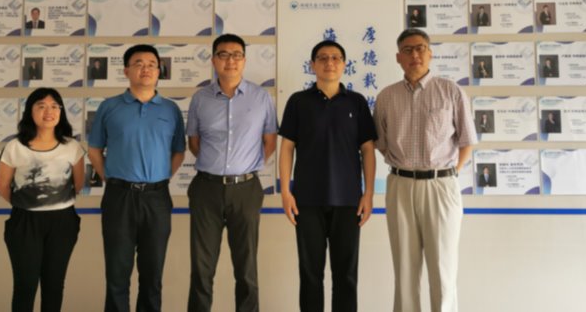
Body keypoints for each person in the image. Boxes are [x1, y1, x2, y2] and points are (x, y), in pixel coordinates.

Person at [374, 28, 478, 312]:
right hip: (400, 185)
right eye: (407, 50)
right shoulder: (386, 97)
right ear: (398, 57)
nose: (414, 55)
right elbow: (381, 143)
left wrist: (449, 174)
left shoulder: (450, 91)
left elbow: (467, 141)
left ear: (430, 54)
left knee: (443, 270)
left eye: (420, 48)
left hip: (441, 185)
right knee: (404, 271)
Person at [279, 40, 377, 312]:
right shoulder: (298, 101)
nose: (329, 62)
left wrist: (368, 193)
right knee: (310, 274)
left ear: (344, 64)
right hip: (306, 201)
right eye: (322, 58)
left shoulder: (356, 102)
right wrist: (286, 192)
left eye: (335, 58)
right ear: (313, 65)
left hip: (348, 201)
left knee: (346, 275)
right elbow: (287, 148)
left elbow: (368, 150)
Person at [87, 44, 185, 312]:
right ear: (126, 71)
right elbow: (94, 149)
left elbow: (178, 151)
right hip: (119, 197)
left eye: (152, 64)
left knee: (152, 275)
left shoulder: (170, 110)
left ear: (159, 71)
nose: (146, 68)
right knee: (117, 275)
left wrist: (160, 177)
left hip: (157, 198)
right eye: (138, 63)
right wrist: (110, 178)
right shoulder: (109, 107)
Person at [186, 34, 277, 312]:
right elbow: (194, 143)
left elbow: (269, 141)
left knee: (246, 268)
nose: (230, 60)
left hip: (246, 189)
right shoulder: (200, 99)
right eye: (223, 54)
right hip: (206, 189)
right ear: (214, 60)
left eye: (237, 54)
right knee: (202, 268)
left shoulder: (261, 98)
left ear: (244, 60)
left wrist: (244, 165)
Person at [0, 87, 84, 312]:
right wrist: (29, 204)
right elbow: (3, 187)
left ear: (61, 112)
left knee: (54, 284)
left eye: (55, 106)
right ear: (30, 111)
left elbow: (78, 185)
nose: (49, 111)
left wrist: (53, 202)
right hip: (24, 222)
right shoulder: (15, 146)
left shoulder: (72, 147)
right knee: (25, 285)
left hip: (63, 222)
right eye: (42, 106)